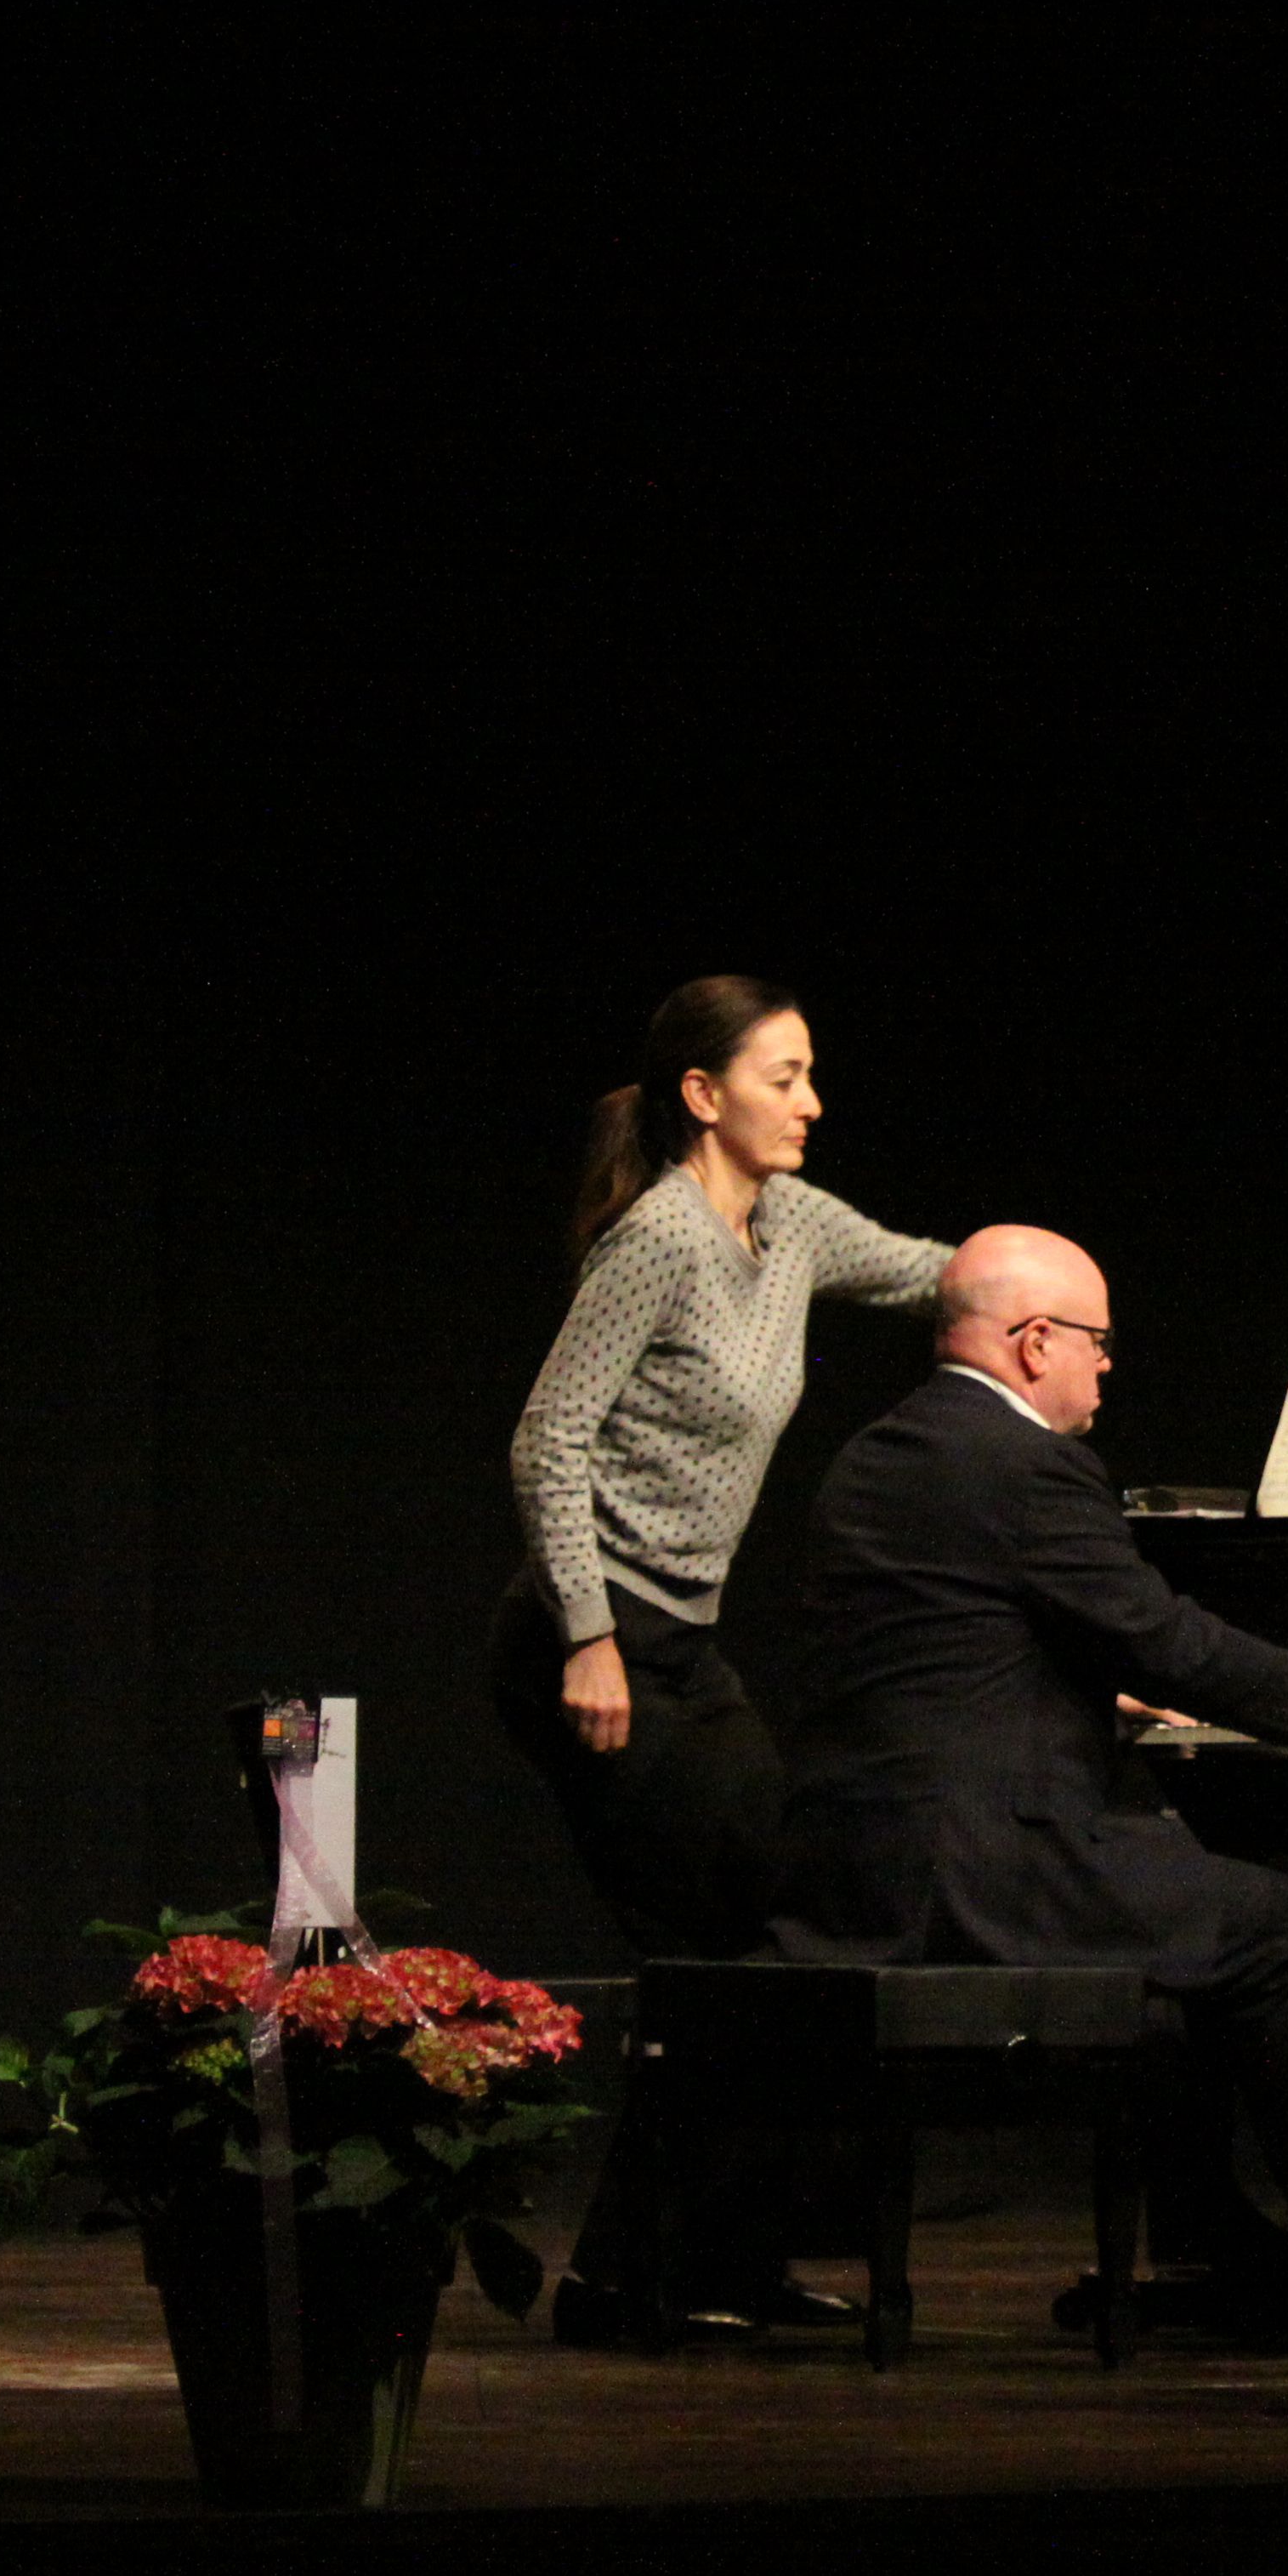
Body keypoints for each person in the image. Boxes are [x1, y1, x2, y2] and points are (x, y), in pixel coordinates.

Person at [766, 1226, 1288, 2319]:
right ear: (1033, 1341)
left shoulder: (877, 1453)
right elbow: (1165, 1637)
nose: (1108, 1365)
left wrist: (1088, 1697)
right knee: (1277, 1924)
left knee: (1178, 1884)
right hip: (975, 1874)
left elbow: (932, 1652)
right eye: (1097, 1343)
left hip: (855, 1863)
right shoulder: (1028, 1465)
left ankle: (1211, 2236)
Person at [489, 974, 954, 2338]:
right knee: (717, 1960)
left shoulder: (793, 1224)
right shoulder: (658, 1238)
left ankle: (723, 2260)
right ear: (705, 1096)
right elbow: (547, 1438)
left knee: (787, 1928)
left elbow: (929, 1269)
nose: (812, 1103)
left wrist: (1041, 1278)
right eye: (784, 1077)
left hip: (683, 1642)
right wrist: (589, 1638)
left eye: (812, 1077)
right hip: (589, 1639)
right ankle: (630, 2278)